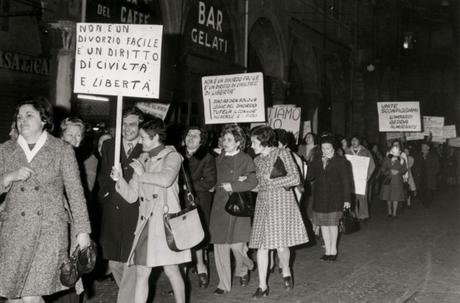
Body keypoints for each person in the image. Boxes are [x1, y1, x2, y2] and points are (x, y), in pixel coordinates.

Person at [0, 96, 91, 302]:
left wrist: (83, 232)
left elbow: (76, 193)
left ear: (43, 120)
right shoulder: (5, 150)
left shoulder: (62, 150)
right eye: (19, 116)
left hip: (49, 232)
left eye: (29, 115)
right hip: (14, 232)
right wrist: (8, 177)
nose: (22, 120)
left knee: (31, 296)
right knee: (13, 296)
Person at [111, 117, 191, 303]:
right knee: (141, 272)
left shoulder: (172, 156)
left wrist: (142, 174)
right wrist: (120, 180)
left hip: (164, 224)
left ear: (155, 138)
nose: (140, 141)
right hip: (146, 224)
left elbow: (166, 179)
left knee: (171, 270)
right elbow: (132, 196)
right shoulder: (142, 159)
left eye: (143, 138)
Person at [249, 126, 308, 298]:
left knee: (281, 246)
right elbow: (260, 185)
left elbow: (295, 178)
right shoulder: (257, 160)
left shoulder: (282, 153)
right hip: (263, 205)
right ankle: (262, 286)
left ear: (264, 141)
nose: (252, 146)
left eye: (254, 142)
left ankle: (286, 269)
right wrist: (245, 184)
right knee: (262, 247)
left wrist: (273, 180)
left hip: (281, 203)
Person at [97, 108, 144, 303]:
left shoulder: (146, 147)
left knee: (130, 261)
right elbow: (102, 176)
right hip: (112, 210)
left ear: (140, 127)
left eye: (132, 124)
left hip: (134, 211)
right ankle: (130, 297)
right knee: (115, 262)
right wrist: (105, 196)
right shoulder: (110, 145)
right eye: (123, 124)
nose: (127, 129)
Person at [209, 124, 257, 295]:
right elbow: (212, 177)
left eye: (229, 139)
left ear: (238, 142)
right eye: (224, 139)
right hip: (220, 207)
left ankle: (245, 266)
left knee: (237, 246)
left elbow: (253, 181)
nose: (225, 142)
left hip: (238, 207)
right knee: (220, 246)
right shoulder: (218, 158)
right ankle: (223, 284)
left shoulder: (245, 158)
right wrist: (211, 185)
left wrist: (234, 186)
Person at [179, 126, 217, 288]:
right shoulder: (176, 154)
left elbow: (209, 181)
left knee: (197, 237)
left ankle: (201, 266)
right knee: (181, 239)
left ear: (202, 140)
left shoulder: (207, 156)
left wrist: (186, 186)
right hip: (179, 201)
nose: (191, 138)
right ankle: (181, 280)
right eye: (189, 134)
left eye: (195, 135)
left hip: (199, 202)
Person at [306, 135, 351, 261]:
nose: (326, 151)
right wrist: (313, 164)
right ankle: (327, 251)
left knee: (332, 224)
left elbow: (347, 182)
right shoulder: (317, 160)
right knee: (323, 225)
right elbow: (309, 177)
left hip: (336, 197)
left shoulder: (341, 161)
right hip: (320, 197)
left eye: (328, 148)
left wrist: (347, 200)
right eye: (323, 148)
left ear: (334, 148)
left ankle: (333, 250)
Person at [345, 135, 375, 221]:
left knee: (362, 198)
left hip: (362, 179)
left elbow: (372, 165)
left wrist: (368, 176)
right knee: (352, 197)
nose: (354, 142)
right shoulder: (347, 152)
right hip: (351, 179)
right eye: (352, 140)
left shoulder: (366, 152)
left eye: (356, 140)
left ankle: (363, 216)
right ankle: (354, 215)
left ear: (359, 141)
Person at [380, 146, 407, 217]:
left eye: (397, 152)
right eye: (394, 152)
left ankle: (394, 213)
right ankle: (389, 211)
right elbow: (382, 170)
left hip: (397, 181)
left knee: (396, 197)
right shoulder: (387, 159)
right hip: (388, 180)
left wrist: (398, 171)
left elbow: (404, 170)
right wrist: (389, 171)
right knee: (388, 196)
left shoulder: (402, 160)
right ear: (391, 152)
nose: (395, 154)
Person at [418, 142, 440, 208]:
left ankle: (426, 204)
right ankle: (424, 202)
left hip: (430, 177)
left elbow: (438, 167)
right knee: (421, 192)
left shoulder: (433, 156)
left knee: (429, 191)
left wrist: (433, 173)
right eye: (422, 147)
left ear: (428, 148)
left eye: (424, 146)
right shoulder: (419, 156)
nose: (423, 148)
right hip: (421, 177)